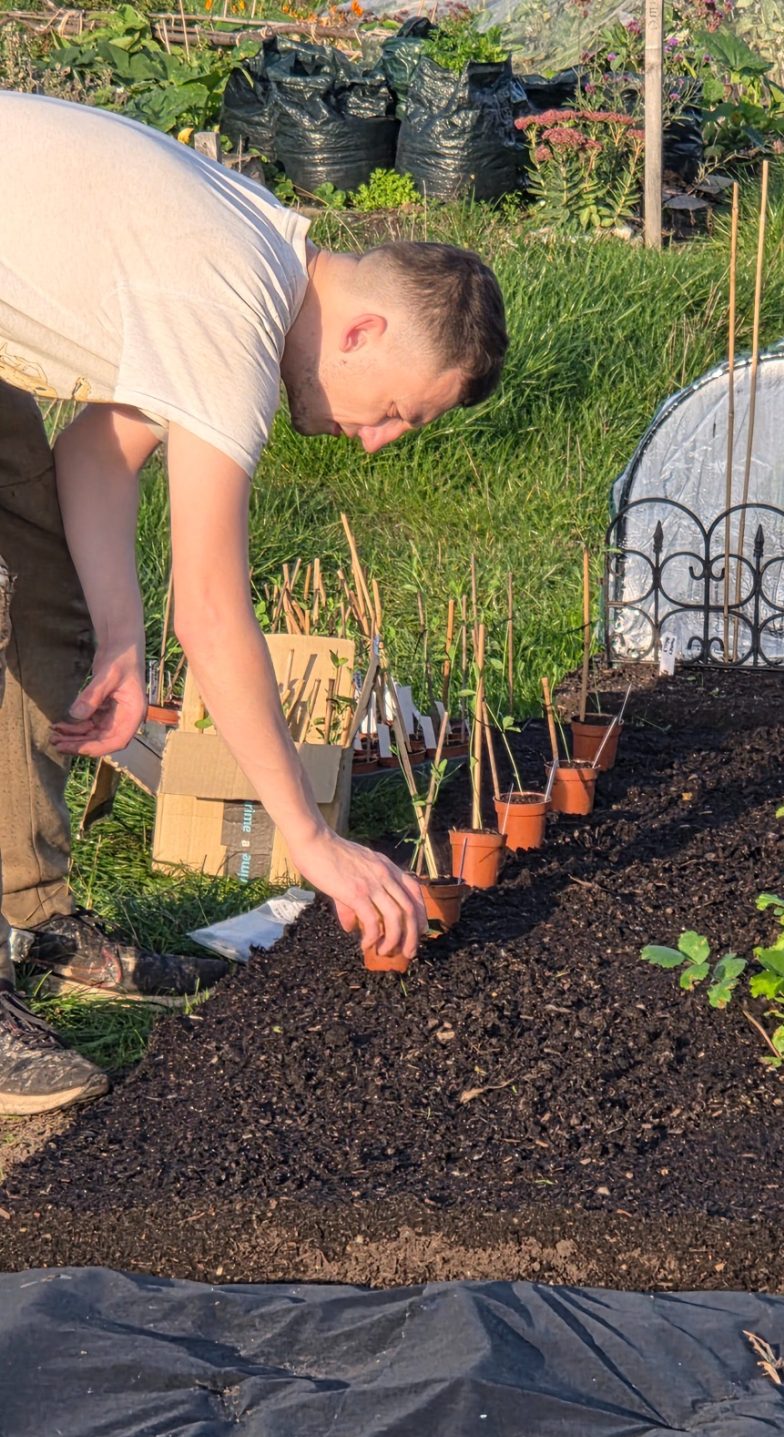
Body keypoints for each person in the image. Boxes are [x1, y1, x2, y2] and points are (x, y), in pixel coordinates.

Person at [0, 90, 507, 1116]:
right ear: (361, 332)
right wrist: (310, 841)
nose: (375, 442)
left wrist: (119, 635)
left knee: (42, 599)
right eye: (396, 414)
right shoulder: (234, 307)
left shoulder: (254, 254)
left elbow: (98, 450)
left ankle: (24, 914)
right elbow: (218, 617)